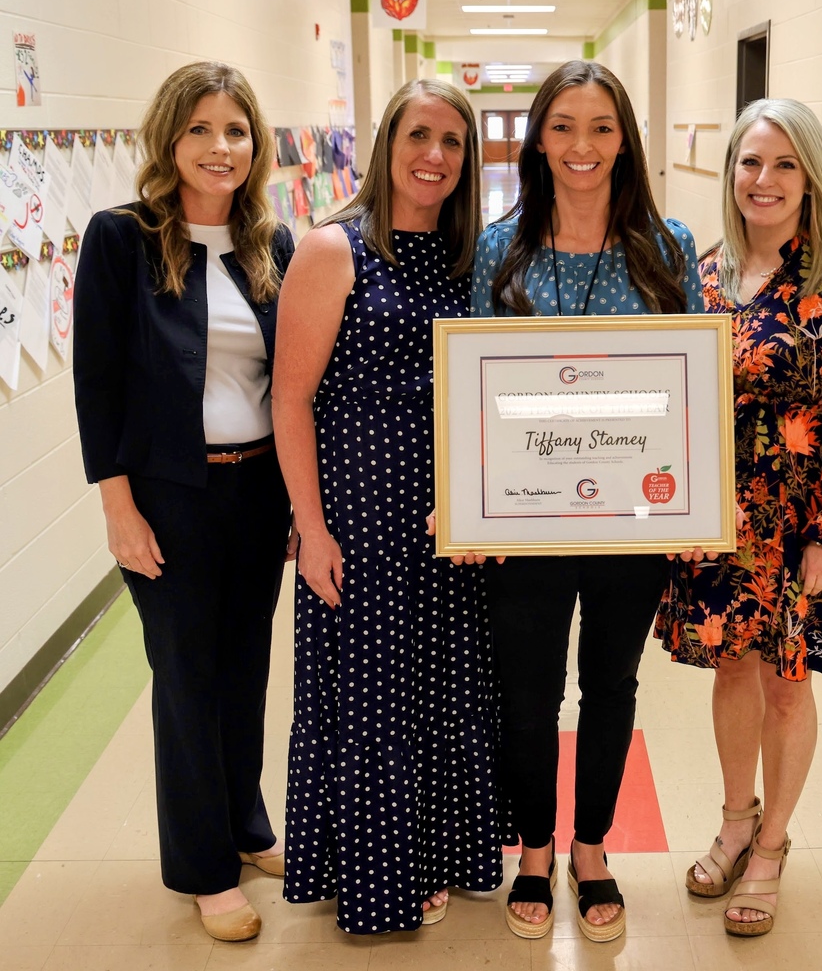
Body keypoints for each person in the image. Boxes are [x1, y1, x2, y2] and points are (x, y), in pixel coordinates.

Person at [471, 59, 701, 943]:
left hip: (631, 521)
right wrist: (470, 502)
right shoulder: (500, 248)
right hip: (525, 519)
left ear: (625, 140)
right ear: (537, 139)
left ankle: (591, 847)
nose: (582, 145)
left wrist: (695, 503)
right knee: (528, 695)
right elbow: (471, 390)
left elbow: (690, 384)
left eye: (602, 127)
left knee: (610, 686)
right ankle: (535, 848)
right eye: (563, 125)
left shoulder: (666, 246)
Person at [657, 97, 822, 937]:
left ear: (811, 177)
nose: (764, 179)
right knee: (731, 671)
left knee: (786, 685)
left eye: (785, 164)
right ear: (731, 171)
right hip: (719, 520)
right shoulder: (704, 274)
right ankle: (735, 820)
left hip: (802, 527)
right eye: (751, 162)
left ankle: (772, 845)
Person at [272, 79, 504, 934]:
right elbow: (291, 398)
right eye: (417, 136)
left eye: (452, 141)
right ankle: (378, 876)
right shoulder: (333, 249)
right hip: (362, 515)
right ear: (386, 144)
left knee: (444, 687)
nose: (434, 155)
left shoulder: (470, 257)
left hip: (449, 518)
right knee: (372, 693)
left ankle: (437, 855)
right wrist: (311, 528)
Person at [73, 61, 296, 942]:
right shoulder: (119, 238)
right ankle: (204, 868)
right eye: (200, 129)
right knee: (185, 677)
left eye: (235, 130)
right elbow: (96, 384)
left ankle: (245, 827)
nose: (219, 147)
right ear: (169, 139)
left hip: (257, 489)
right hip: (168, 497)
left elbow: (291, 385)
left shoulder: (271, 244)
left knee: (244, 668)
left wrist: (296, 500)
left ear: (256, 145)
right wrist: (117, 508)